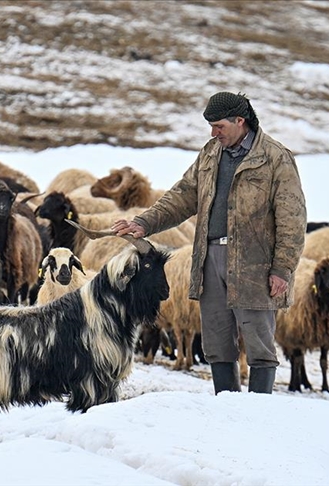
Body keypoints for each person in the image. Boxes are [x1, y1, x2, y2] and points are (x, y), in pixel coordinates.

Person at [112, 92, 306, 394]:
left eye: (219, 126)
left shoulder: (275, 158)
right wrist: (144, 222)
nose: (213, 133)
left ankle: (260, 412)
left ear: (240, 121)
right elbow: (182, 196)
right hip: (210, 256)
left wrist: (282, 268)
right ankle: (226, 406)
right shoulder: (210, 154)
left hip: (255, 263)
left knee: (257, 340)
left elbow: (292, 218)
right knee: (216, 337)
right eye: (211, 127)